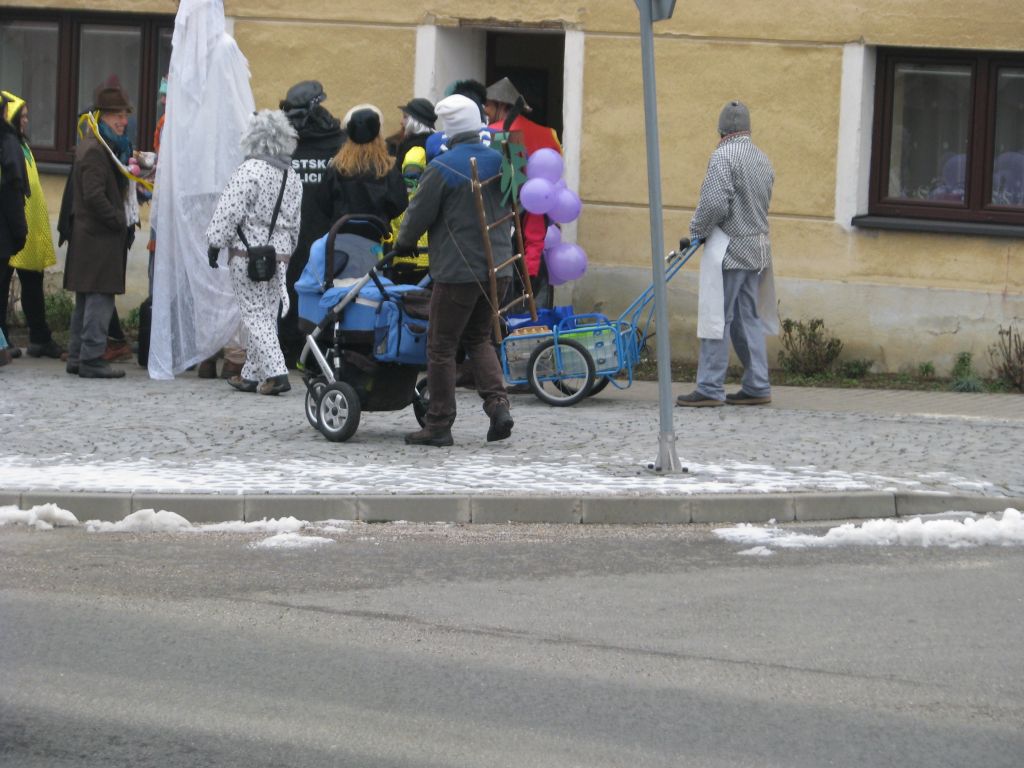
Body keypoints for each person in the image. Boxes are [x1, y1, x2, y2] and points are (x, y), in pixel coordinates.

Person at [394, 94, 515, 447]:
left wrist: (403, 243)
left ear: (448, 128)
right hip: (499, 268)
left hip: (458, 272)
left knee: (441, 347)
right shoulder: (501, 159)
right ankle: (498, 406)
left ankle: (438, 422)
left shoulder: (442, 167)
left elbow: (417, 215)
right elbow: (516, 203)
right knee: (479, 338)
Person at [676, 100, 776, 407]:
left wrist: (697, 231)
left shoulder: (723, 156)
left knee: (716, 317)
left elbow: (714, 203)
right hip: (757, 250)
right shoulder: (762, 159)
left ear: (721, 130)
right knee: (748, 319)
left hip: (728, 250)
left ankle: (709, 386)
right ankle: (758, 384)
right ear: (747, 128)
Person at [206, 109, 302, 395]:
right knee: (267, 313)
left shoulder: (249, 171)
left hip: (248, 253)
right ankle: (251, 374)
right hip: (280, 254)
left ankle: (276, 373)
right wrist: (288, 249)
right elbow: (295, 222)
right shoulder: (291, 175)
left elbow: (229, 211)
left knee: (254, 314)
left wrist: (215, 243)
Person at [63, 85, 137, 379]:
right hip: (98, 238)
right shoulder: (96, 149)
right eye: (117, 115)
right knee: (99, 299)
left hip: (93, 237)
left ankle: (77, 356)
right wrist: (119, 219)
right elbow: (94, 195)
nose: (123, 121)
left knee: (87, 299)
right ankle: (91, 358)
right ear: (103, 116)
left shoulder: (100, 144)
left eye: (124, 115)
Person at [277, 80, 345, 367]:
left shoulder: (279, 144)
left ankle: (287, 349)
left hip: (287, 234)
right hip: (325, 234)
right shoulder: (338, 143)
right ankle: (319, 349)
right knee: (320, 290)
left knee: (286, 290)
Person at [484, 76, 562, 309]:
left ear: (501, 105)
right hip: (536, 223)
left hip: (501, 220)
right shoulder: (548, 134)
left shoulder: (490, 134)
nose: (486, 111)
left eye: (488, 105)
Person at [2, 91, 62, 359]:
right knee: (2, 286)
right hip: (12, 226)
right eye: (22, 116)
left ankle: (39, 337)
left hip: (28, 226)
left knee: (33, 284)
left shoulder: (21, 145)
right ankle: (4, 340)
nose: (26, 120)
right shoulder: (7, 145)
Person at [313, 104, 407, 233]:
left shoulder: (337, 167)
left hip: (342, 233)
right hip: (377, 233)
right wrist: (384, 215)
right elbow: (399, 202)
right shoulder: (387, 168)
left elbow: (323, 201)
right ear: (378, 134)